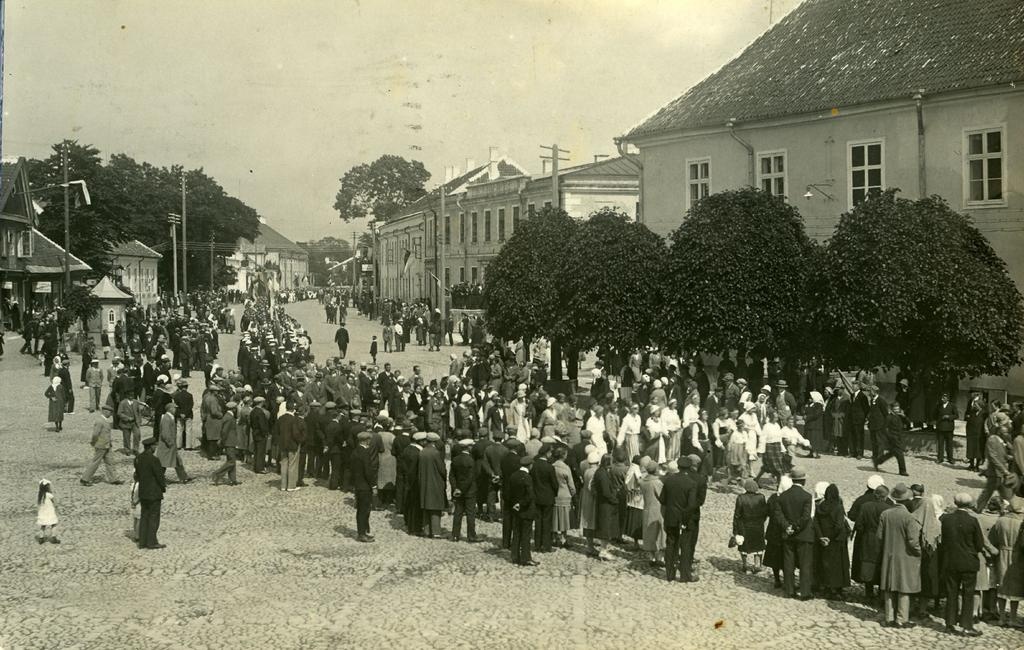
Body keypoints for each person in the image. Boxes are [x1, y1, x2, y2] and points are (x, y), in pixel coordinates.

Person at [941, 493, 987, 636]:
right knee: (968, 593)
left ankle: (950, 623)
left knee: (951, 592)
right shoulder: (972, 521)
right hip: (968, 561)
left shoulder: (946, 519)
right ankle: (967, 625)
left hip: (951, 560)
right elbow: (980, 544)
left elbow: (943, 540)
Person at [877, 483, 922, 628]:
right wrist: (919, 552)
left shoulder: (885, 514)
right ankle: (902, 619)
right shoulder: (910, 518)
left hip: (889, 555)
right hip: (906, 556)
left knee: (890, 587)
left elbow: (879, 536)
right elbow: (913, 541)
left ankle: (889, 617)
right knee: (904, 588)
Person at [774, 467, 815, 599]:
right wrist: (796, 527)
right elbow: (806, 517)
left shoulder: (783, 496)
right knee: (805, 565)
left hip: (787, 534)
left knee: (788, 563)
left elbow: (778, 515)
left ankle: (789, 590)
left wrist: (787, 527)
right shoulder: (807, 496)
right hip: (803, 534)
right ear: (803, 481)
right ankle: (804, 592)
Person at [660, 457, 699, 582]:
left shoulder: (669, 480)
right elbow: (691, 505)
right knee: (686, 546)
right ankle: (685, 575)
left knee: (671, 544)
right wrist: (685, 520)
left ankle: (669, 574)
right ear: (689, 467)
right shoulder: (691, 483)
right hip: (685, 519)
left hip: (671, 517)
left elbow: (663, 500)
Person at [813, 483, 850, 599]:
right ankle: (836, 590)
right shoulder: (837, 507)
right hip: (836, 540)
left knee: (825, 563)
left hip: (823, 539)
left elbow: (816, 522)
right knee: (838, 565)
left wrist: (821, 537)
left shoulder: (821, 506)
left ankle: (827, 587)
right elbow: (839, 526)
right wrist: (831, 537)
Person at [995, 500, 1024, 627]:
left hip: (1002, 552)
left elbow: (993, 538)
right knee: (1015, 588)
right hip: (1017, 556)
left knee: (1001, 585)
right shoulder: (1021, 523)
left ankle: (1001, 617)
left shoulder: (1000, 521)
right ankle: (1012, 618)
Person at [134, 436, 167, 550]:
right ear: (151, 447)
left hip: (143, 492)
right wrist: (163, 488)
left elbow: (137, 474)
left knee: (144, 516)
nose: (155, 448)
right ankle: (152, 542)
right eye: (154, 446)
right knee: (153, 518)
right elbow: (160, 476)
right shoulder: (154, 460)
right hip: (154, 492)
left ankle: (142, 542)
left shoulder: (138, 458)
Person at [733, 478, 769, 574]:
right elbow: (765, 512)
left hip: (744, 525)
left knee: (743, 545)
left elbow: (737, 515)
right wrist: (762, 521)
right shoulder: (761, 497)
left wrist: (735, 530)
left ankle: (744, 564)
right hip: (758, 525)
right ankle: (757, 565)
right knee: (758, 545)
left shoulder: (741, 498)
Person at [80, 405, 123, 486]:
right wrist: (93, 442)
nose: (111, 414)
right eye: (110, 412)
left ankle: (113, 479)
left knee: (110, 462)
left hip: (107, 445)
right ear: (105, 411)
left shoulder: (105, 420)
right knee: (95, 462)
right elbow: (95, 434)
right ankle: (84, 479)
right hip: (101, 445)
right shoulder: (100, 421)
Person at [509, 454, 539, 566]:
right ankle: (526, 558)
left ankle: (515, 556)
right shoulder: (527, 477)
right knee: (526, 534)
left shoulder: (513, 476)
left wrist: (514, 504)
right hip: (526, 510)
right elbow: (530, 495)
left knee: (516, 532)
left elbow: (509, 493)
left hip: (515, 509)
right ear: (530, 465)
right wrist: (520, 504)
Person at [977, 425, 1015, 510]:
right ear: (999, 432)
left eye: (1007, 432)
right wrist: (1004, 470)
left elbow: (1002, 455)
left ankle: (1011, 509)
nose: (1007, 434)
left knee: (1007, 492)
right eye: (1005, 432)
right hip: (995, 472)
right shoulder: (992, 439)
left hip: (1002, 473)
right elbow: (993, 457)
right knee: (988, 491)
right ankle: (979, 508)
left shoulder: (1003, 441)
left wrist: (1008, 454)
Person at [350, 430, 378, 542]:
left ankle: (364, 531)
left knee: (361, 509)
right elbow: (368, 471)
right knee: (364, 510)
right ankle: (362, 533)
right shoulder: (365, 453)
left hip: (358, 484)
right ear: (367, 440)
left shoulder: (355, 451)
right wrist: (374, 486)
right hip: (365, 486)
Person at [418, 431, 447, 538]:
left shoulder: (422, 452)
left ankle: (426, 530)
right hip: (435, 482)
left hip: (424, 482)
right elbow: (442, 469)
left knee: (426, 506)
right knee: (435, 507)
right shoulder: (435, 453)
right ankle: (436, 531)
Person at [449, 438, 478, 543]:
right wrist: (461, 489)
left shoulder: (455, 459)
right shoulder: (470, 460)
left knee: (458, 513)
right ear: (469, 447)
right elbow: (470, 478)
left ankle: (455, 535)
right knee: (470, 514)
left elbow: (451, 476)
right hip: (469, 491)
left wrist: (456, 488)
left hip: (458, 491)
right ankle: (471, 536)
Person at [532, 443, 558, 553]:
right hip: (548, 497)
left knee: (538, 521)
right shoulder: (549, 467)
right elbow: (554, 484)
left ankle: (537, 544)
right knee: (547, 522)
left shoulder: (534, 465)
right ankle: (546, 546)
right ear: (547, 452)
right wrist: (554, 493)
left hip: (537, 496)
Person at [157, 402, 192, 484]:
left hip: (170, 445)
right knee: (163, 464)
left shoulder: (170, 417)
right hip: (167, 445)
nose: (176, 410)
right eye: (175, 408)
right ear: (170, 409)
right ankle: (158, 478)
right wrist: (170, 443)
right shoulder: (166, 418)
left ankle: (184, 477)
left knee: (177, 461)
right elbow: (165, 433)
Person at [640, 458, 665, 566]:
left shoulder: (643, 481)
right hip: (657, 509)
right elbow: (662, 496)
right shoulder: (656, 482)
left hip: (646, 508)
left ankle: (651, 557)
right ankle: (660, 557)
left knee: (648, 532)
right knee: (659, 533)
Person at [874, 401, 909, 476]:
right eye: (895, 409)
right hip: (893, 440)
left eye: (898, 409)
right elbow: (884, 429)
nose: (897, 410)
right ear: (892, 409)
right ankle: (902, 471)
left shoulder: (900, 416)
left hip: (899, 438)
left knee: (891, 454)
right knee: (900, 454)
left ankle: (877, 461)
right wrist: (891, 437)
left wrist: (904, 416)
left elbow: (908, 423)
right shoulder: (889, 417)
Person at [278, 401, 306, 492]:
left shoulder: (280, 418)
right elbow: (295, 433)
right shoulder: (294, 419)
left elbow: (276, 432)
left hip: (282, 445)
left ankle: (283, 485)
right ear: (293, 409)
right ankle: (291, 486)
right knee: (292, 465)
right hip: (292, 444)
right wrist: (300, 440)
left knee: (284, 464)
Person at [552, 445, 576, 548]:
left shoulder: (552, 466)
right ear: (563, 455)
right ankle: (563, 538)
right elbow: (571, 484)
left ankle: (554, 537)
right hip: (565, 494)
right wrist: (573, 493)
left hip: (555, 494)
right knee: (565, 519)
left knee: (555, 517)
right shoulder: (566, 468)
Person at [934, 392, 958, 465]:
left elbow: (956, 415)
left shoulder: (952, 406)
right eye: (942, 398)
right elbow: (935, 414)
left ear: (947, 398)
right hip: (940, 427)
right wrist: (936, 422)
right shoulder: (938, 405)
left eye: (944, 398)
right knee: (940, 444)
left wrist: (949, 417)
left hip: (949, 428)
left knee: (949, 444)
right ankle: (940, 458)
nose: (942, 399)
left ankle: (950, 458)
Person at [35, 479, 60, 545]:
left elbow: (39, 504)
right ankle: (54, 537)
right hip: (50, 512)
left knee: (43, 525)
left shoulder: (40, 496)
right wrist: (56, 508)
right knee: (54, 524)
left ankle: (41, 538)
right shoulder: (49, 495)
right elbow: (55, 503)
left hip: (43, 512)